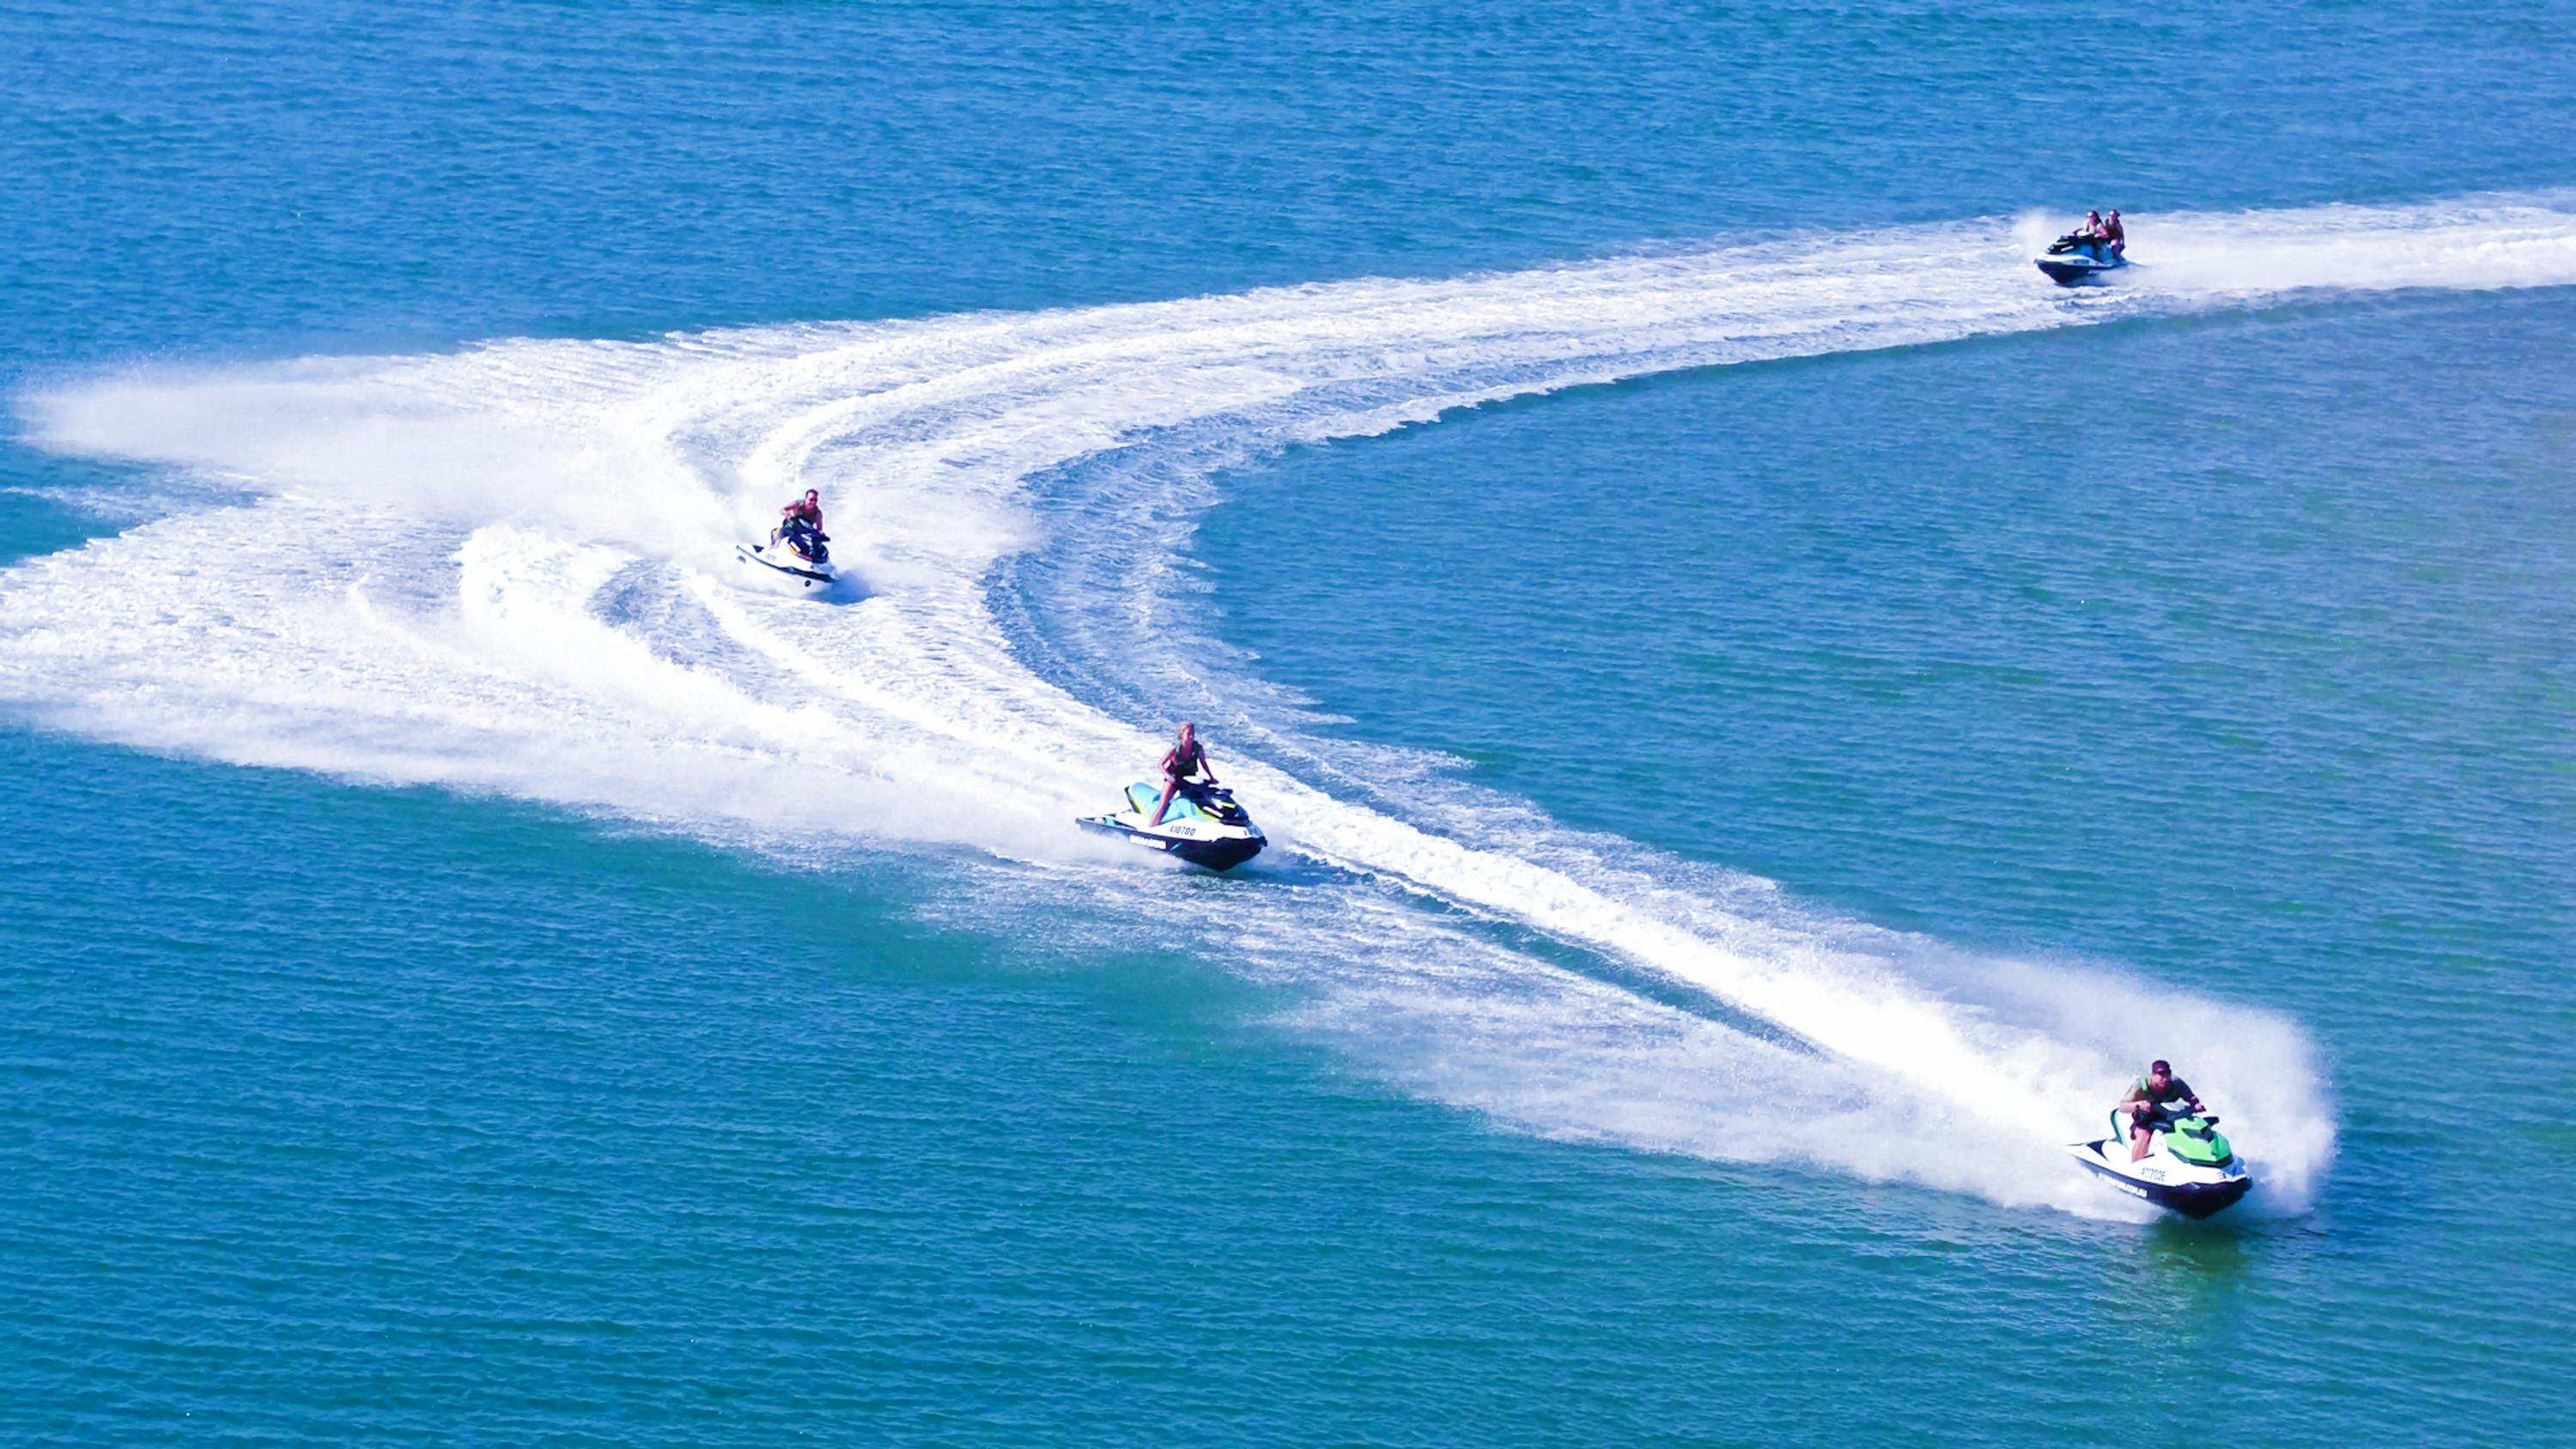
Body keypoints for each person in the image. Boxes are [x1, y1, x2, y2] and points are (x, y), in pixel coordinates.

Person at [2117, 1059, 2204, 1161]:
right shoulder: (2141, 1085)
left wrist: (2197, 1105)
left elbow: (2191, 1097)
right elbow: (2123, 1106)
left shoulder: (2176, 1083)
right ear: (2153, 1074)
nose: (2165, 1078)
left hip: (2168, 1116)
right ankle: (2135, 1166)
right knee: (2144, 1134)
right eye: (2161, 1074)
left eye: (2167, 1074)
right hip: (2146, 1117)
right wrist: (2139, 1104)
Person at [1148, 721, 1218, 826]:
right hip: (1174, 779)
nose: (1191, 737)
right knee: (1163, 805)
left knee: (1201, 803)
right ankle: (1150, 829)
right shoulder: (1175, 748)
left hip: (1189, 780)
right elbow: (1161, 764)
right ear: (1182, 734)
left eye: (1192, 734)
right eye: (1188, 734)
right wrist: (1167, 776)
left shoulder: (1197, 748)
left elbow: (1203, 763)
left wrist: (1211, 777)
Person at [771, 489, 828, 558]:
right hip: (788, 529)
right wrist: (786, 513)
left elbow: (819, 529)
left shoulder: (817, 514)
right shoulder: (797, 504)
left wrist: (821, 534)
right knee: (777, 545)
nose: (813, 502)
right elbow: (782, 509)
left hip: (799, 535)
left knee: (806, 551)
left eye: (815, 500)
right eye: (811, 500)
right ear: (806, 499)